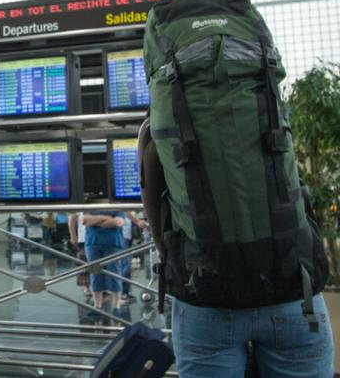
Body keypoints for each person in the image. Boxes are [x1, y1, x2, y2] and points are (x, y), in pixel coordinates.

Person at [139, 118, 335, 377]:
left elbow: (153, 206)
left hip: (204, 294)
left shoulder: (162, 112)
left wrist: (174, 262)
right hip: (292, 287)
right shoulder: (263, 91)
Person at [81, 210, 125, 319]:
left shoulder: (117, 207)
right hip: (93, 243)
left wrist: (95, 221)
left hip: (113, 243)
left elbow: (117, 223)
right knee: (95, 274)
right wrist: (107, 218)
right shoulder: (90, 206)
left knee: (115, 274)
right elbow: (84, 220)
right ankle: (97, 306)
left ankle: (116, 306)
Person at [119, 212, 148, 303]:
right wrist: (138, 221)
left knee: (126, 264)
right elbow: (124, 210)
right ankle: (123, 293)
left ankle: (125, 292)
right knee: (126, 264)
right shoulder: (120, 200)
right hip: (122, 235)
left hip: (128, 235)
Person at [67, 212, 91, 298]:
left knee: (100, 262)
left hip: (99, 236)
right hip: (84, 236)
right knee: (84, 261)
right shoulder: (81, 203)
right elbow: (72, 217)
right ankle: (86, 286)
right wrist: (73, 236)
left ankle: (102, 287)